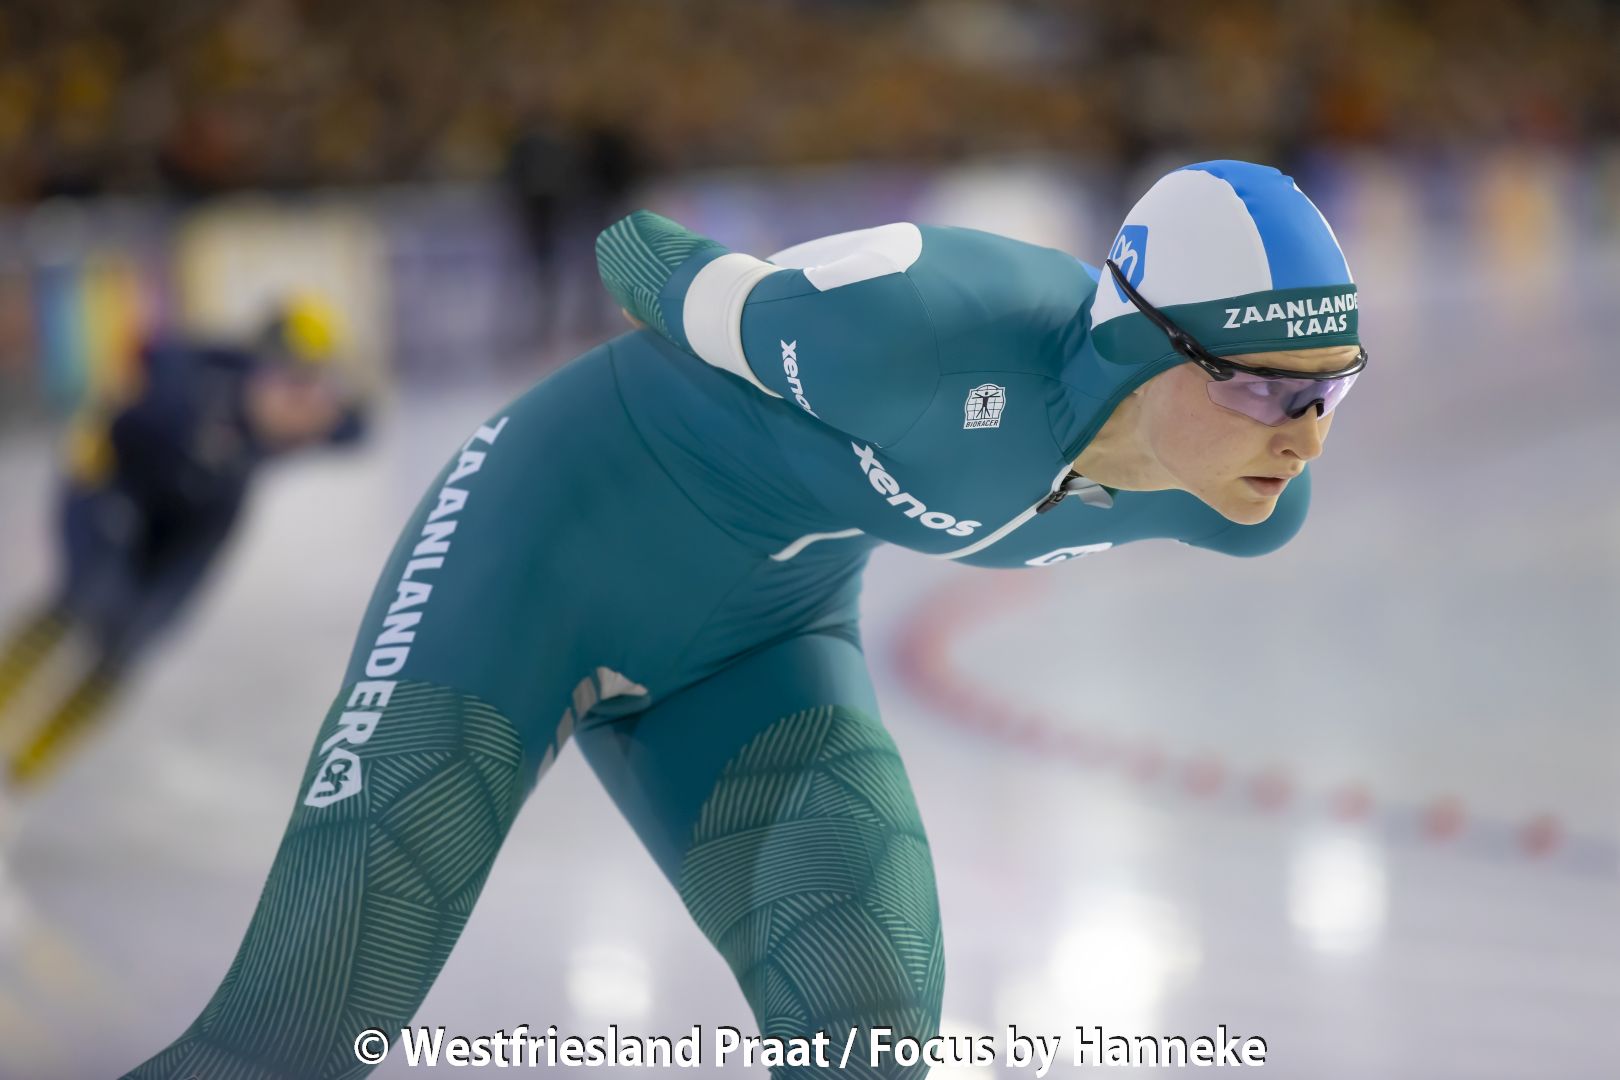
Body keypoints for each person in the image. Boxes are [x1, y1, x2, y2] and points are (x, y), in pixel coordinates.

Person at [123, 160, 1365, 1079]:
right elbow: (637, 251)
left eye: (1332, 391)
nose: (1302, 434)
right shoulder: (921, 338)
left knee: (866, 1029)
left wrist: (1264, 399)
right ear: (1144, 345)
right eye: (1264, 386)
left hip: (764, 640)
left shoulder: (1243, 506)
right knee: (287, 1042)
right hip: (536, 547)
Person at [0, 295, 367, 790]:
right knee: (85, 598)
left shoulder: (303, 412)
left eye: (311, 381)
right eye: (289, 376)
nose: (297, 394)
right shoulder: (191, 383)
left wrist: (330, 415)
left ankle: (21, 778)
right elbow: (141, 372)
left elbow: (358, 427)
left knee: (129, 647)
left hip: (198, 515)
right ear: (258, 365)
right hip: (116, 476)